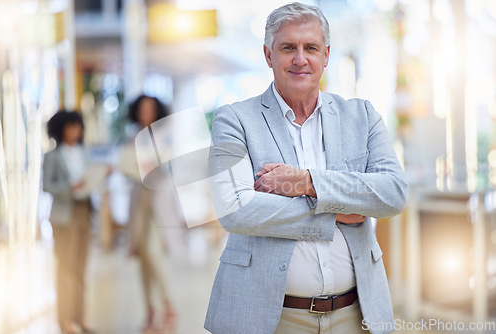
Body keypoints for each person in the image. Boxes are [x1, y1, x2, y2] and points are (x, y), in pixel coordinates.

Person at [205, 3, 407, 334]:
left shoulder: (362, 116)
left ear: (325, 55)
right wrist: (336, 212)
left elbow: (393, 193)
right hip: (268, 317)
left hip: (355, 315)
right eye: (288, 48)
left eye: (310, 47)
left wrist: (307, 182)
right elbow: (234, 209)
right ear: (269, 55)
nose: (301, 59)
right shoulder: (234, 120)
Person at [118, 95, 177, 333]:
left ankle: (168, 306)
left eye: (150, 109)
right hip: (139, 202)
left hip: (158, 201)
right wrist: (141, 169)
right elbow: (126, 166)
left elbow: (166, 167)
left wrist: (148, 168)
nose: (146, 113)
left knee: (153, 254)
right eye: (142, 109)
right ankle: (150, 310)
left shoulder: (164, 136)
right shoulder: (132, 137)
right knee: (143, 258)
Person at [42, 110, 95, 334]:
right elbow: (47, 185)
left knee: (80, 268)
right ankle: (64, 320)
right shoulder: (53, 156)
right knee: (66, 268)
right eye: (70, 127)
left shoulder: (84, 153)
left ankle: (79, 317)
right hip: (64, 215)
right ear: (60, 129)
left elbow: (90, 177)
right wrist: (69, 189)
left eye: (78, 127)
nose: (75, 131)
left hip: (85, 212)